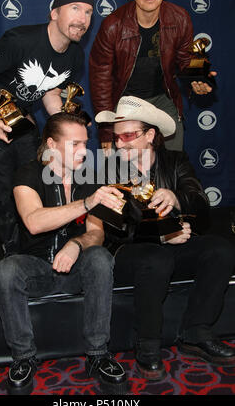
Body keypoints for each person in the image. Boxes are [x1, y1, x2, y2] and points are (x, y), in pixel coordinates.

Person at [94, 96, 235, 381]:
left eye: (129, 135)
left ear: (150, 135)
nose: (120, 143)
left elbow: (202, 211)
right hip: (127, 254)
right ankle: (147, 345)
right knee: (156, 258)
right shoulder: (108, 169)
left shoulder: (175, 161)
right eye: (116, 137)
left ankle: (196, 332)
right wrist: (162, 236)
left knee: (219, 249)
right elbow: (114, 232)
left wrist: (177, 198)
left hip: (173, 246)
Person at [0, 112, 128, 395]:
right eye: (75, 144)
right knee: (6, 270)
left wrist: (76, 245)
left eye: (85, 143)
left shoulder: (89, 176)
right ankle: (23, 357)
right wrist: (87, 203)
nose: (84, 151)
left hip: (77, 268)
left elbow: (97, 233)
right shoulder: (28, 173)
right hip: (38, 269)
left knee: (101, 257)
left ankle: (98, 354)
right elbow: (34, 221)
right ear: (52, 144)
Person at [0, 0, 94, 256]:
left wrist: (66, 122)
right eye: (75, 9)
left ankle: (38, 242)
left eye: (88, 12)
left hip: (20, 112)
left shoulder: (75, 55)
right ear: (54, 13)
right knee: (2, 181)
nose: (82, 18)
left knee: (32, 173)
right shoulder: (20, 40)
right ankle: (13, 252)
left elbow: (51, 91)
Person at [89, 0, 216, 153]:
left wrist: (198, 78)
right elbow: (101, 78)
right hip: (124, 102)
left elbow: (185, 59)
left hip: (162, 98)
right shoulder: (113, 25)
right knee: (124, 171)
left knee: (173, 162)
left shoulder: (179, 18)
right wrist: (106, 129)